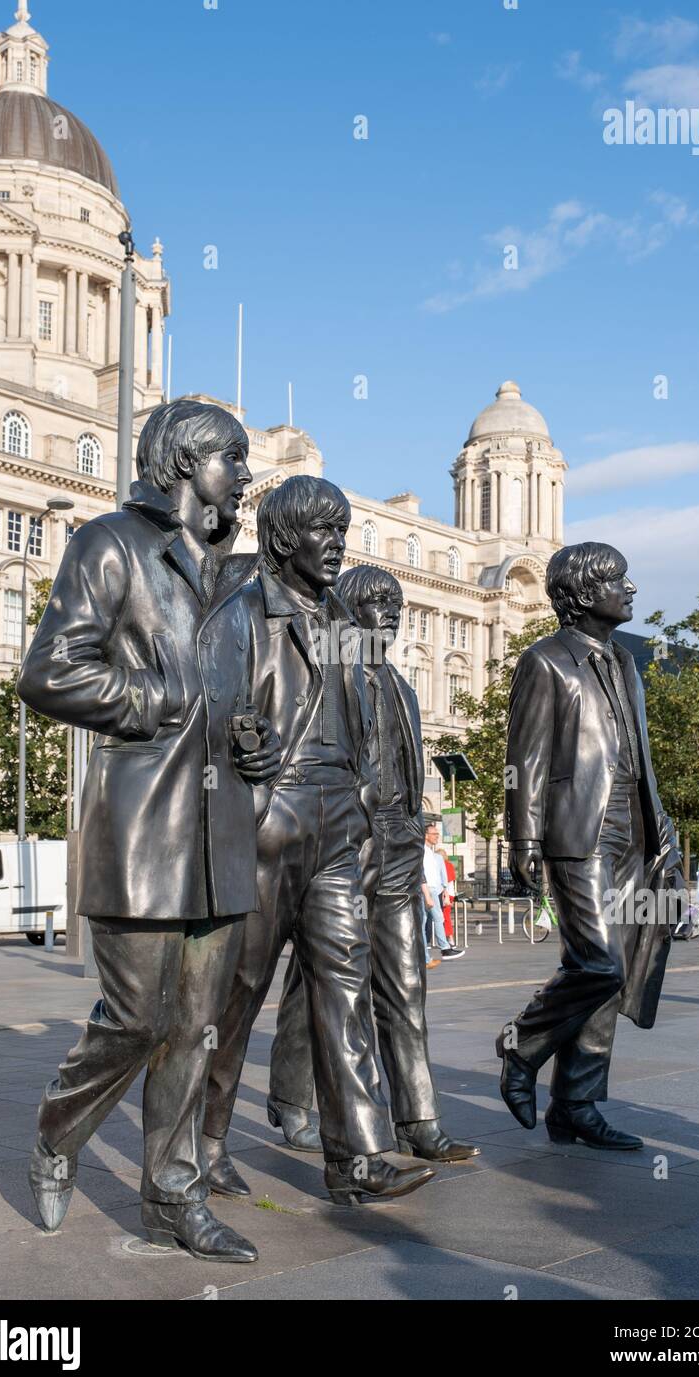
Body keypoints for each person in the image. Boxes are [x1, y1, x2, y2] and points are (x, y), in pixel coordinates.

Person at [17, 399, 281, 1261]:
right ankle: (60, 1132)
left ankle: (174, 1198)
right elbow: (50, 671)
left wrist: (250, 736)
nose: (244, 476)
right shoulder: (109, 543)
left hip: (221, 827)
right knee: (137, 1018)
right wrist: (150, 703)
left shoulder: (236, 578)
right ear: (182, 462)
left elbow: (236, 695)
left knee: (198, 1027)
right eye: (232, 459)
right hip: (141, 825)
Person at [202, 479, 435, 1206]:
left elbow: (363, 716)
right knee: (238, 991)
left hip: (340, 825)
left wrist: (366, 800)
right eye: (321, 532)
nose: (336, 544)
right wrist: (242, 749)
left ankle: (359, 1157)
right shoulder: (241, 616)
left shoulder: (341, 623)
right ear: (281, 540)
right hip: (271, 819)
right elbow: (204, 718)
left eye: (342, 531)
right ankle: (203, 1140)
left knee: (343, 984)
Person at [266, 565, 480, 1164]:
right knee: (327, 981)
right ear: (349, 610)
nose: (389, 612)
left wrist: (415, 827)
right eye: (377, 602)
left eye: (397, 603)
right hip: (347, 841)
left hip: (401, 846)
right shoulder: (334, 675)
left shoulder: (406, 690)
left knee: (406, 984)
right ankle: (291, 1099)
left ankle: (419, 1119)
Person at [498, 541, 684, 1151]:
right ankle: (522, 1045)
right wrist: (522, 837)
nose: (630, 589)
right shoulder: (545, 661)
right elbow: (523, 760)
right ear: (582, 594)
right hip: (579, 829)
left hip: (634, 827)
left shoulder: (626, 663)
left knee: (617, 969)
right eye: (618, 580)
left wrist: (663, 827)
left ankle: (575, 1104)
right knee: (598, 963)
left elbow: (640, 754)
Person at [423, 824, 465, 962]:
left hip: (433, 889)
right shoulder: (423, 852)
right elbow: (423, 875)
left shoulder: (430, 853)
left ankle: (426, 956)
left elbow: (437, 875)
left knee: (424, 921)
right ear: (426, 835)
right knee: (438, 919)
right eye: (434, 833)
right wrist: (428, 894)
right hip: (428, 889)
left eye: (437, 834)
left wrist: (444, 891)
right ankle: (444, 949)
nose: (437, 836)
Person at [438, 847, 457, 941]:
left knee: (444, 916)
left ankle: (449, 937)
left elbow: (446, 881)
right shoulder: (449, 865)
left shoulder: (444, 865)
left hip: (445, 894)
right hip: (449, 894)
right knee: (445, 916)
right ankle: (447, 937)